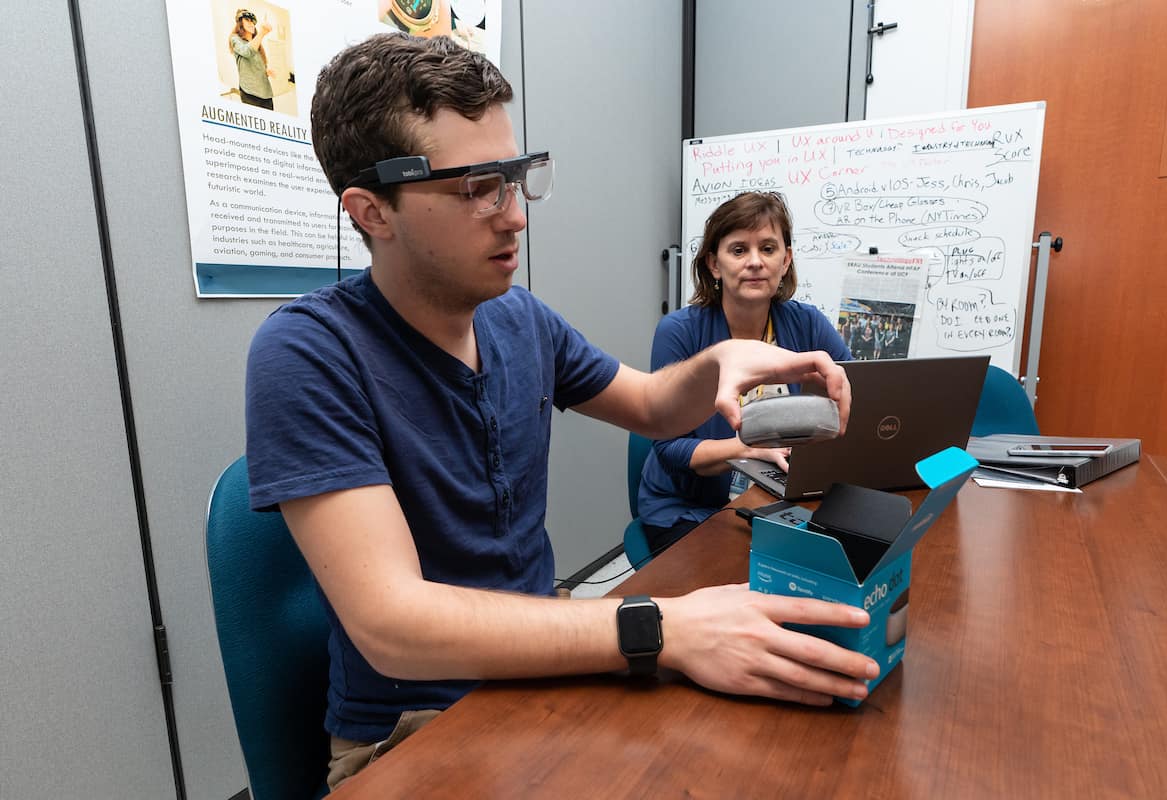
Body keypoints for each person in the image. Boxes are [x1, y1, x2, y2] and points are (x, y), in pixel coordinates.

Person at [245, 33, 877, 791]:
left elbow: (647, 405)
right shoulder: (308, 352)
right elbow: (393, 628)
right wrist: (662, 626)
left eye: (515, 178)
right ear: (371, 210)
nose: (514, 217)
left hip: (545, 674)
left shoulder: (521, 320)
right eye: (477, 187)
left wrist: (713, 366)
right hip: (413, 730)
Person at [636, 192, 851, 553]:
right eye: (738, 250)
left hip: (785, 498)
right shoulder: (679, 331)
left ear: (786, 261)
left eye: (768, 249)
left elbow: (859, 394)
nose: (755, 262)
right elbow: (669, 449)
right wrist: (747, 449)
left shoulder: (808, 324)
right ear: (714, 264)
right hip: (690, 510)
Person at [229, 9, 274, 110]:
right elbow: (247, 52)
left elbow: (259, 63)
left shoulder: (257, 43)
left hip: (266, 93)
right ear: (240, 23)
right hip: (250, 93)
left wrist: (266, 70)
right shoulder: (235, 39)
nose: (251, 23)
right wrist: (262, 33)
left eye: (252, 21)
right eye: (247, 20)